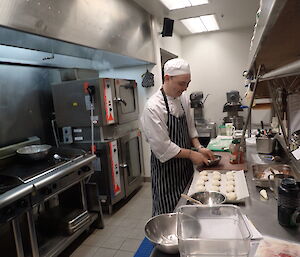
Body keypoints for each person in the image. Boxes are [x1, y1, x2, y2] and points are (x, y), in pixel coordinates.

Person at [140, 58, 214, 216]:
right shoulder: (153, 107)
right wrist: (192, 154)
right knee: (168, 211)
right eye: (181, 83)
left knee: (187, 205)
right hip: (166, 170)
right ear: (167, 78)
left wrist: (200, 147)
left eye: (188, 83)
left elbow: (190, 127)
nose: (185, 88)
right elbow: (163, 148)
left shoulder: (183, 98)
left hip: (184, 167)